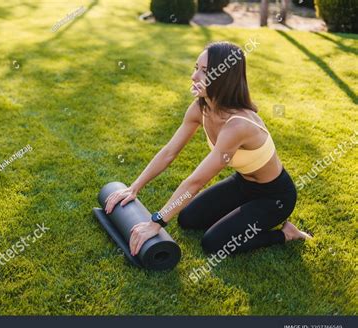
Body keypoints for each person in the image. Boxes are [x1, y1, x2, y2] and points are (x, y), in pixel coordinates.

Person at [104, 41, 311, 257]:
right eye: (195, 68)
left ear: (223, 77)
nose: (194, 76)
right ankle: (240, 215)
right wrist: (134, 187)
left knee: (214, 242)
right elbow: (169, 152)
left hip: (275, 196)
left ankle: (286, 234)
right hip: (242, 184)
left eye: (204, 71)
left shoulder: (238, 125)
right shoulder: (200, 108)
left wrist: (156, 222)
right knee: (187, 219)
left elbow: (196, 181)